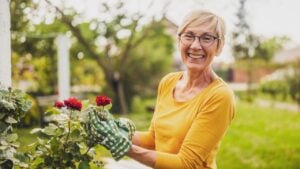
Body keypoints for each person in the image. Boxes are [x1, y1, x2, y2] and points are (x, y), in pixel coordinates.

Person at [88, 9, 235, 169]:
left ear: (219, 47)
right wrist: (113, 128)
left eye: (206, 38)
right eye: (189, 36)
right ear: (179, 41)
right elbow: (153, 139)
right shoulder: (169, 82)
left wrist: (124, 147)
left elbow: (187, 163)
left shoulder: (220, 95)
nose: (195, 45)